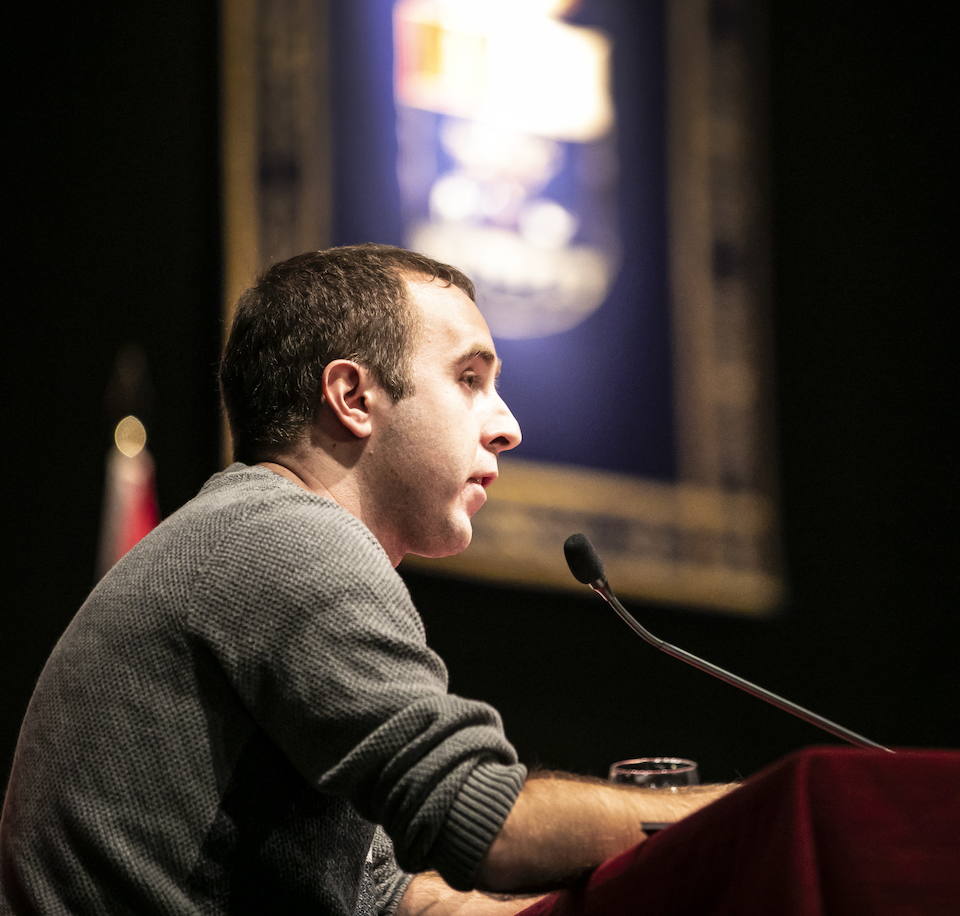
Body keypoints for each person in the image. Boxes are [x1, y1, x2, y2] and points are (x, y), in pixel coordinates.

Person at [0, 244, 729, 915]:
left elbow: (388, 898)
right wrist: (748, 813)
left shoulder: (251, 536)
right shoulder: (283, 539)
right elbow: (485, 820)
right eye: (470, 379)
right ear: (352, 397)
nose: (507, 426)